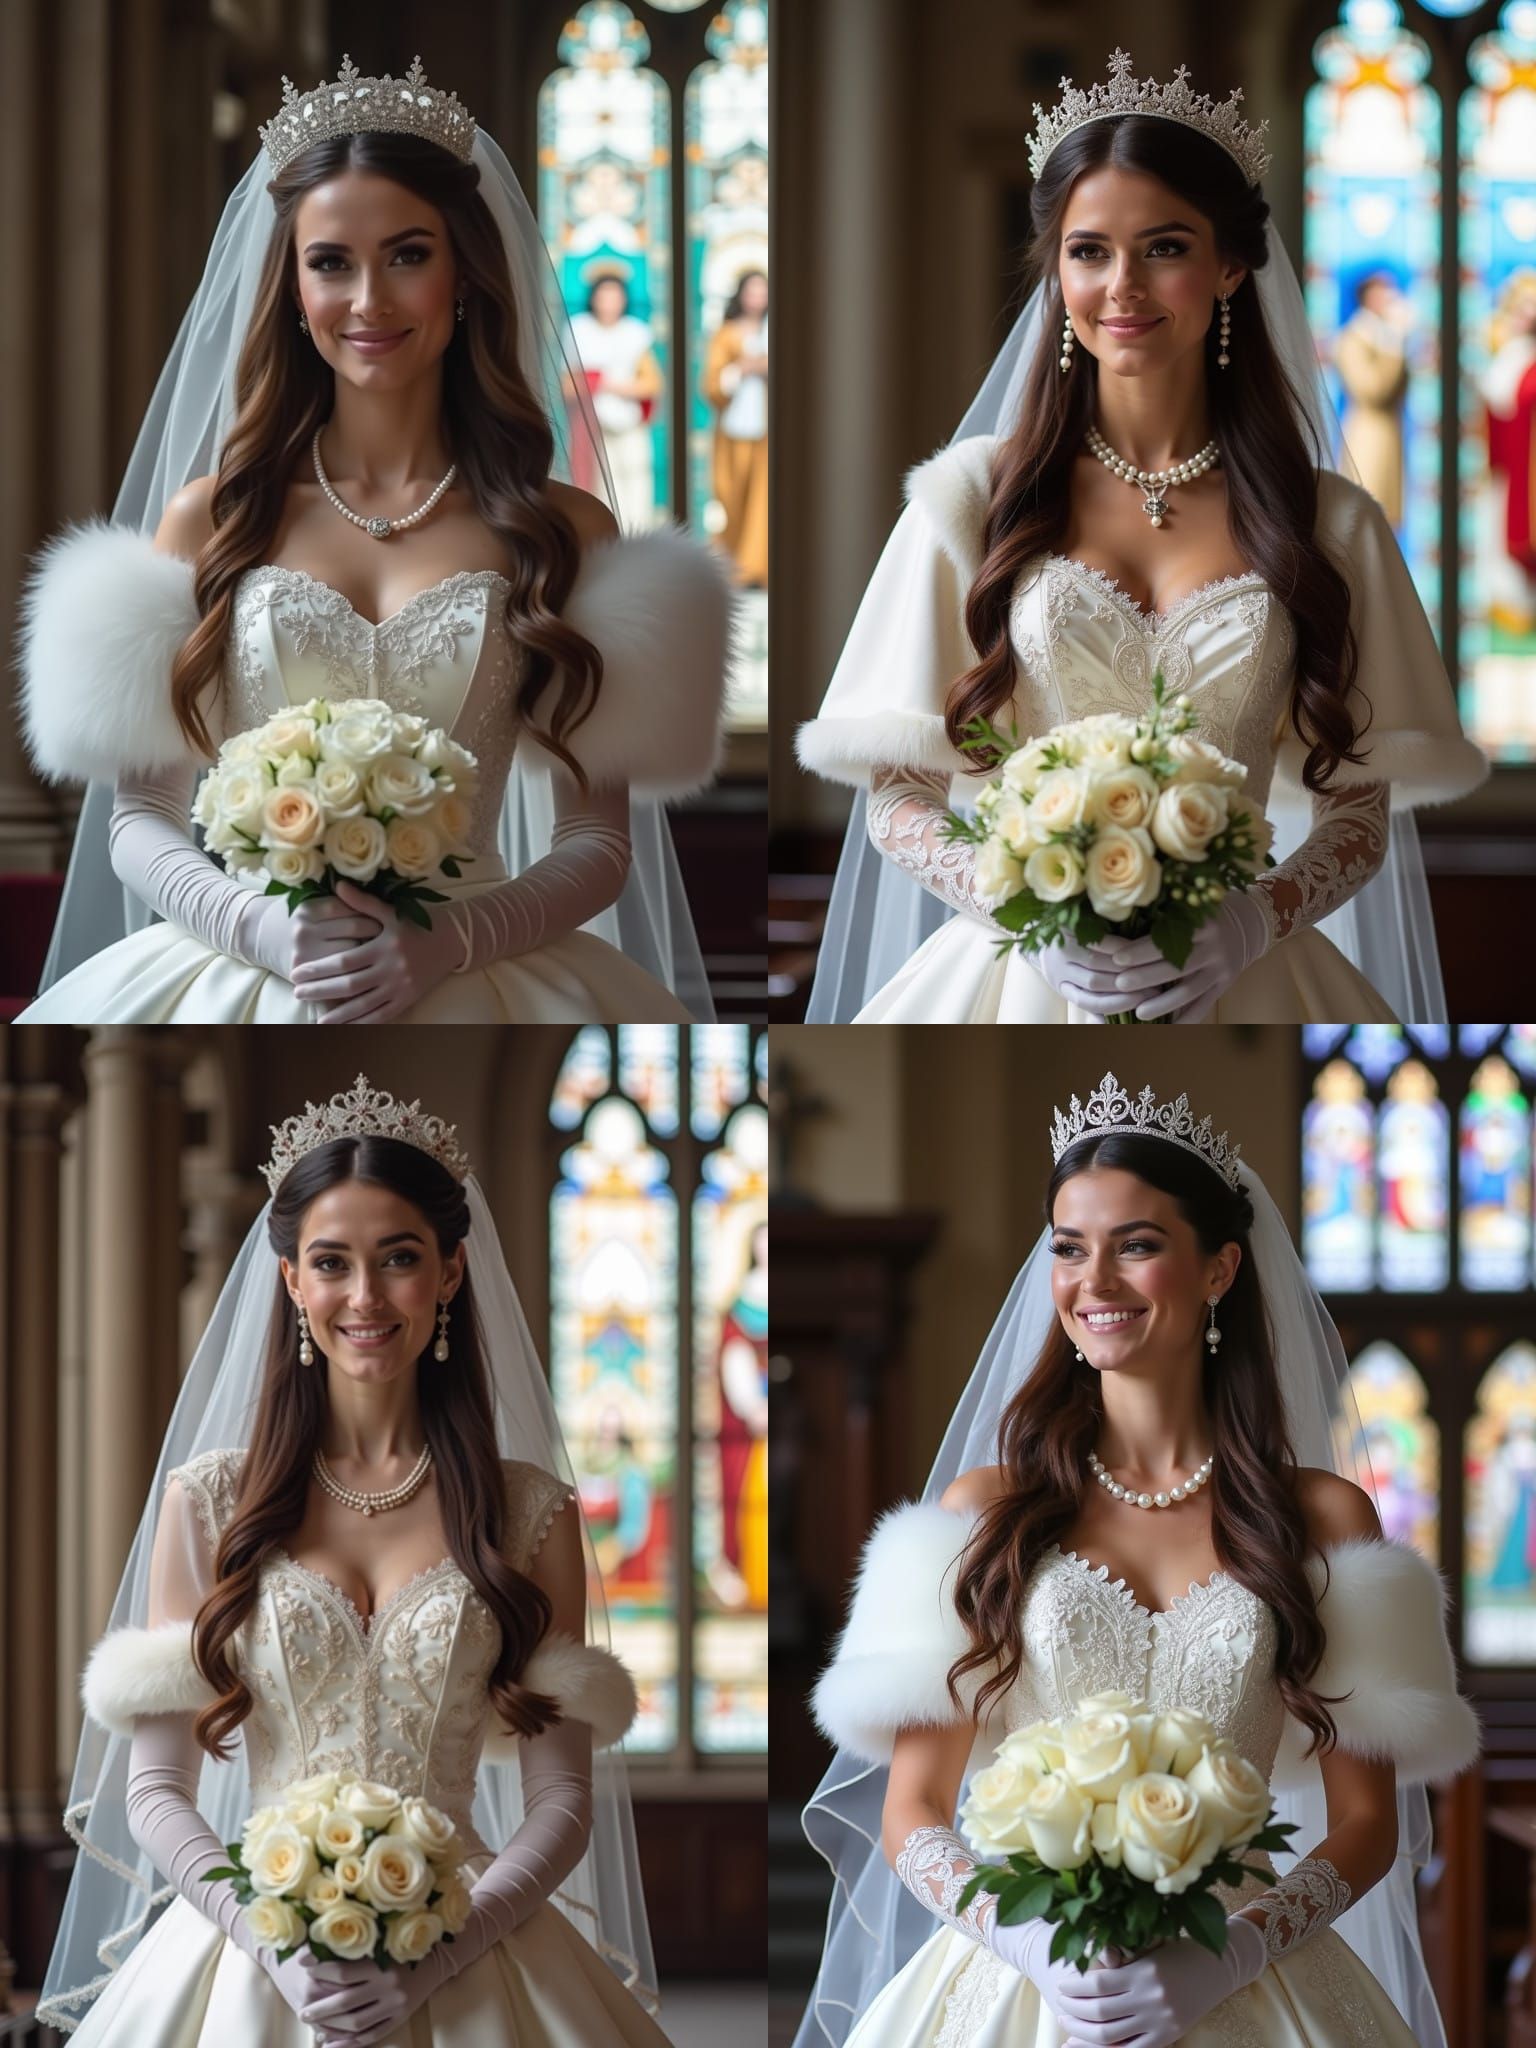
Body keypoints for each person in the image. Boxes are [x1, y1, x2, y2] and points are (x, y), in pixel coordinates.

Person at [16, 58, 730, 1024]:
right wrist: (258, 926)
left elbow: (599, 842)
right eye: (330, 262)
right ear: (290, 287)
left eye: (408, 255)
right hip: (245, 963)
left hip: (481, 963)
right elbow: (139, 817)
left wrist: (453, 940)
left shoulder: (564, 531)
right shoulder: (209, 520)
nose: (368, 302)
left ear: (466, 273)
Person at [796, 51, 1486, 1024]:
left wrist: (1259, 914)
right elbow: (900, 795)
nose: (1122, 286)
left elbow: (1359, 812)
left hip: (1248, 975)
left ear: (1231, 265)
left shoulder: (1329, 525)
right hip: (1018, 980)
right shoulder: (973, 500)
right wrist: (1019, 898)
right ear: (1056, 265)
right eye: (1089, 250)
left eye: (1164, 246)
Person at [799, 1071, 1481, 2048]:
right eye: (1069, 1248)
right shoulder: (983, 1512)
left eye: (1139, 1245)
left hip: (1242, 1976)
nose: (1096, 1281)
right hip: (1023, 1980)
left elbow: (1366, 1819)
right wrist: (1025, 1939)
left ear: (1220, 1268)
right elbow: (911, 1805)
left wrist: (1235, 1950)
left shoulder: (1324, 1514)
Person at [39, 1073, 668, 2044]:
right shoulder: (210, 1503)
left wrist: (449, 1952)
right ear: (292, 1278)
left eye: (399, 1257)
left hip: (473, 1945)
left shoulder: (530, 1512)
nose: (365, 1295)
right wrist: (266, 1937)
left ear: (450, 1272)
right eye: (331, 1261)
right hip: (256, 1958)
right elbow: (156, 1786)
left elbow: (562, 1796)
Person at [571, 272, 664, 536]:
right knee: (599, 487)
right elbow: (568, 383)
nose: (609, 302)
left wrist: (610, 384)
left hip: (629, 423)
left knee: (635, 485)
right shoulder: (578, 329)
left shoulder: (636, 333)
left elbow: (652, 384)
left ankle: (636, 541)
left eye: (615, 296)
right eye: (603, 296)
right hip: (593, 427)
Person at [704, 272, 769, 588]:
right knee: (732, 496)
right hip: (734, 430)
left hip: (768, 434)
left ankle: (760, 566)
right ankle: (735, 567)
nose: (757, 298)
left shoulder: (774, 330)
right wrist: (740, 368)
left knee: (764, 500)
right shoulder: (727, 334)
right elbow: (713, 383)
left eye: (763, 291)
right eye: (752, 291)